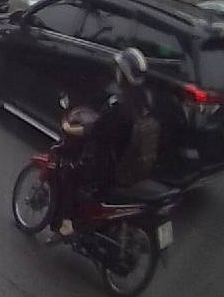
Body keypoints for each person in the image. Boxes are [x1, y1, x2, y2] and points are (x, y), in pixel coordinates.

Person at [54, 48, 159, 238]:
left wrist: (69, 128)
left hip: (109, 167)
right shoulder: (145, 101)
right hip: (133, 163)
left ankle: (67, 224)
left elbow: (95, 131)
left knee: (69, 174)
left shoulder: (121, 107)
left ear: (123, 74)